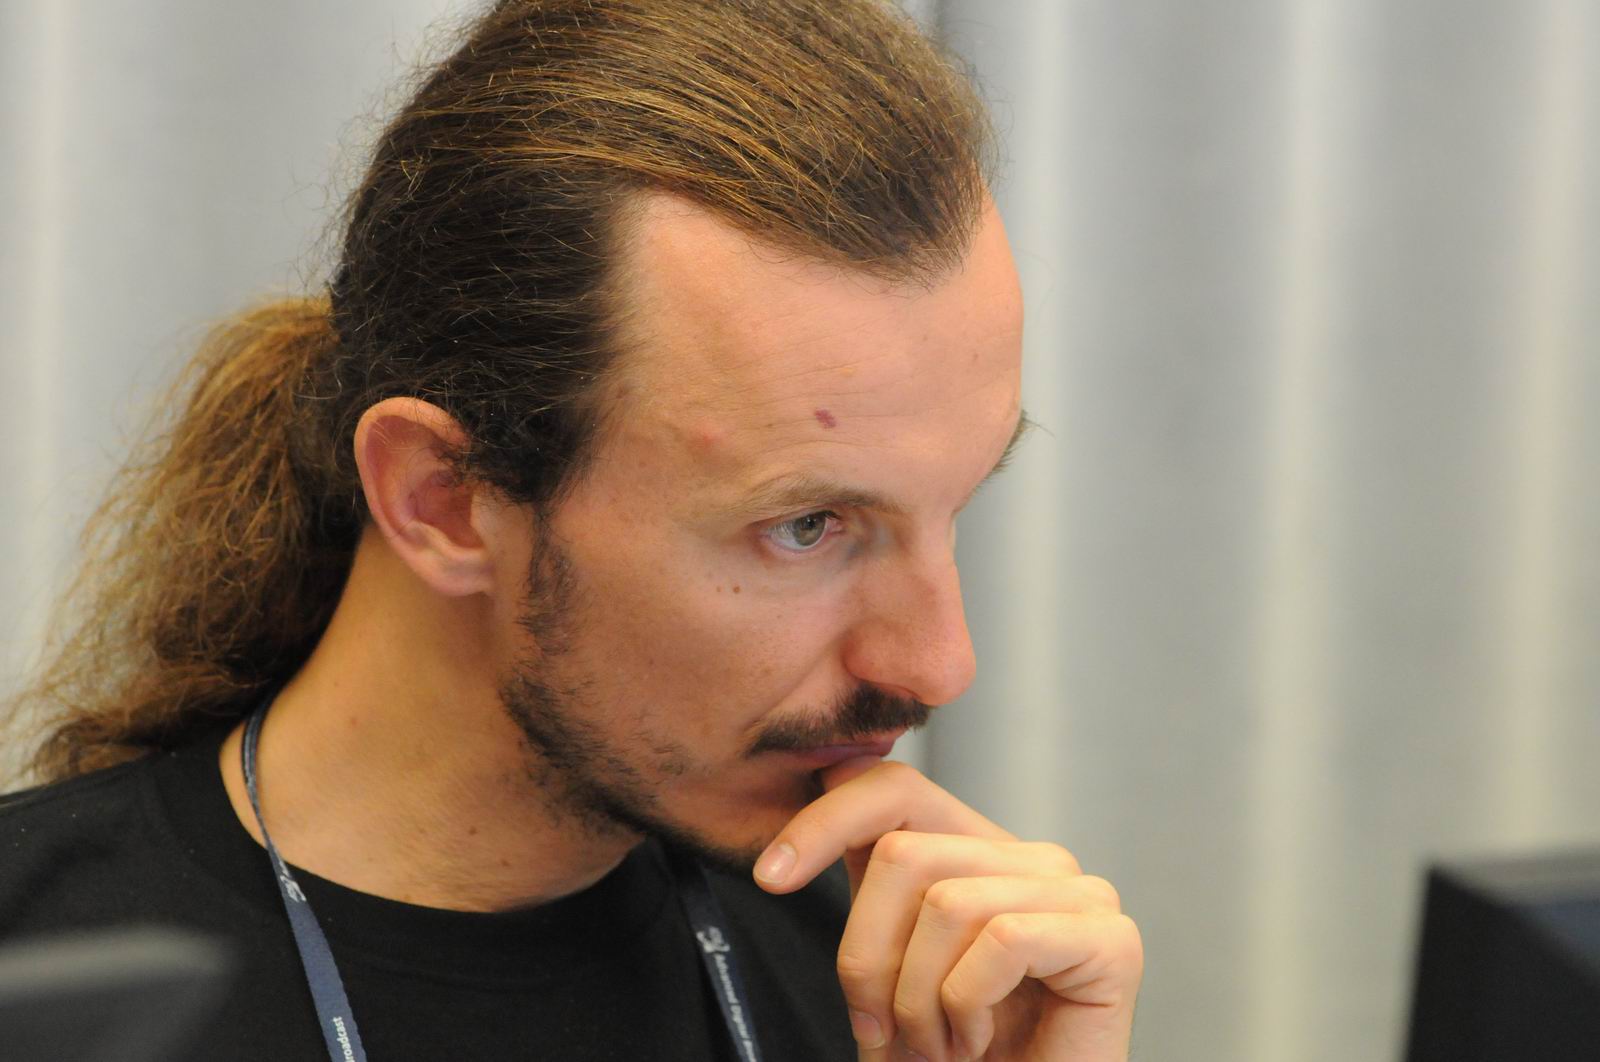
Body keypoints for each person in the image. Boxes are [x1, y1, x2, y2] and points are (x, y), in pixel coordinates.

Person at [0, 1, 1143, 1059]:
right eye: (806, 526)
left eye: (955, 505)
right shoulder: (42, 977)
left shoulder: (907, 984)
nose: (938, 666)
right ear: (443, 499)